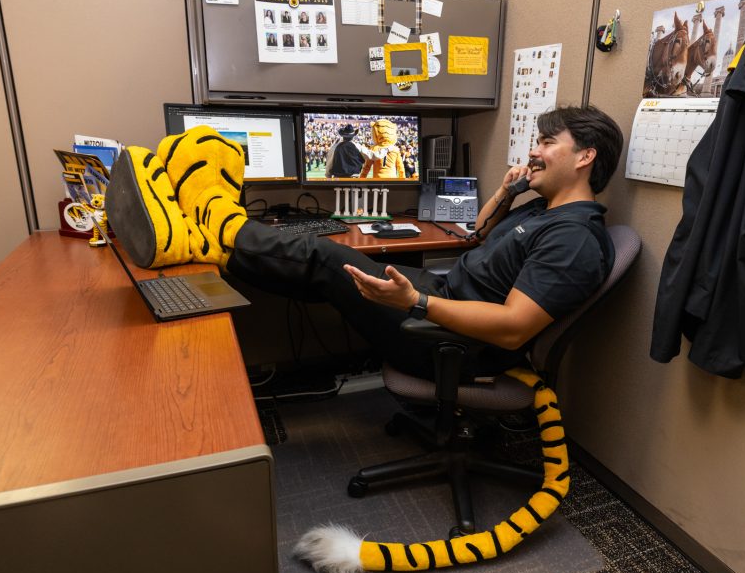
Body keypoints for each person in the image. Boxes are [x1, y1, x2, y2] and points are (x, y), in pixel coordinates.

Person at [106, 106, 623, 380]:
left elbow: (512, 331)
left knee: (325, 258)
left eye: (547, 144)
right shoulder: (543, 209)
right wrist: (509, 192)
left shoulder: (575, 238)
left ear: (585, 158)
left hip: (460, 346)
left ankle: (210, 230)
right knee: (327, 269)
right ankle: (205, 236)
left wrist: (415, 301)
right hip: (445, 297)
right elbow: (475, 239)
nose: (534, 152)